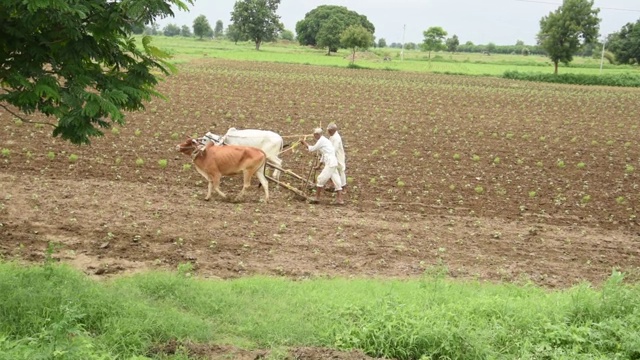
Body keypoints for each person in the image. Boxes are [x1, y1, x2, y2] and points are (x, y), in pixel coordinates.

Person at [300, 128, 344, 204]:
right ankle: (340, 199)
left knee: (320, 179)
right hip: (333, 162)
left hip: (330, 163)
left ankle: (317, 198)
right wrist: (319, 165)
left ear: (317, 134)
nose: (314, 136)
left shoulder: (321, 141)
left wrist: (304, 142)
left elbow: (312, 149)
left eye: (314, 135)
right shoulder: (325, 140)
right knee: (336, 180)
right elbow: (324, 154)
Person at [327, 122, 346, 193]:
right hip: (333, 157)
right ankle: (333, 185)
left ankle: (343, 187)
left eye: (329, 131)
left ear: (332, 130)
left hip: (338, 157)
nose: (328, 132)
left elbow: (334, 149)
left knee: (341, 171)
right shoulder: (332, 136)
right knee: (332, 170)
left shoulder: (337, 138)